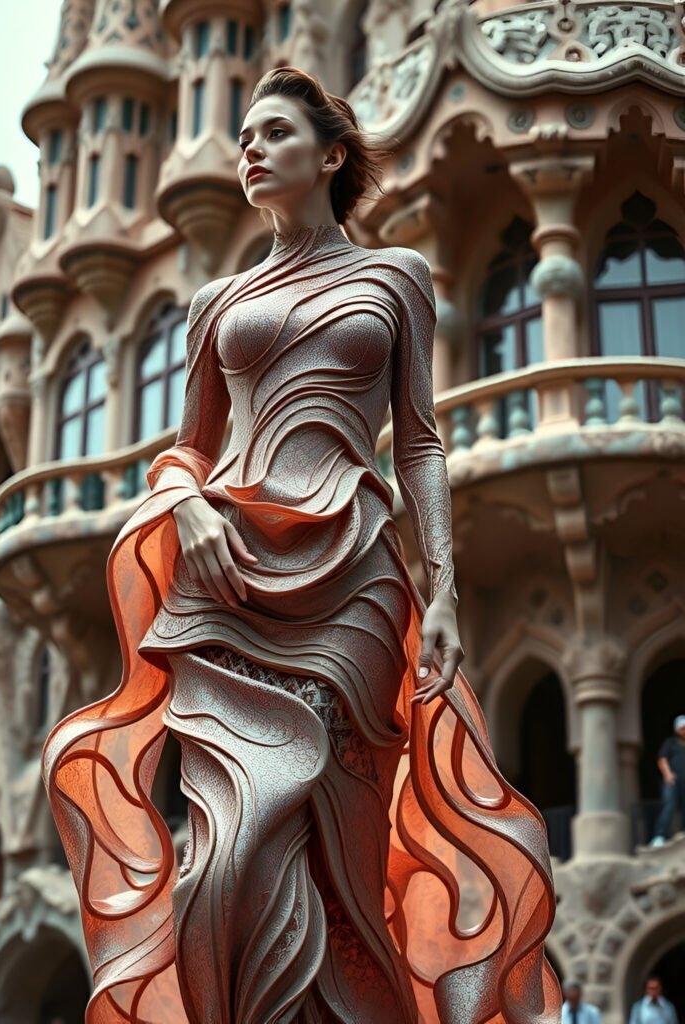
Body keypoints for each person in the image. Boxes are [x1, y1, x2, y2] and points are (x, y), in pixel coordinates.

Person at [42, 66, 561, 1022]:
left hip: (353, 582)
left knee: (339, 862)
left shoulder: (394, 276)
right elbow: (186, 450)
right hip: (225, 583)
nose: (250, 148)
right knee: (221, 866)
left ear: (329, 155)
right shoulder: (214, 303)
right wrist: (184, 505)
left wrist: (441, 590)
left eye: (273, 133)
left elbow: (419, 441)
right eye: (244, 134)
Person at [649, 714, 685, 846]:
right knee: (669, 806)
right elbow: (662, 760)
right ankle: (659, 836)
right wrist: (668, 775)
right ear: (677, 730)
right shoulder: (670, 743)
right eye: (682, 728)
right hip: (673, 780)